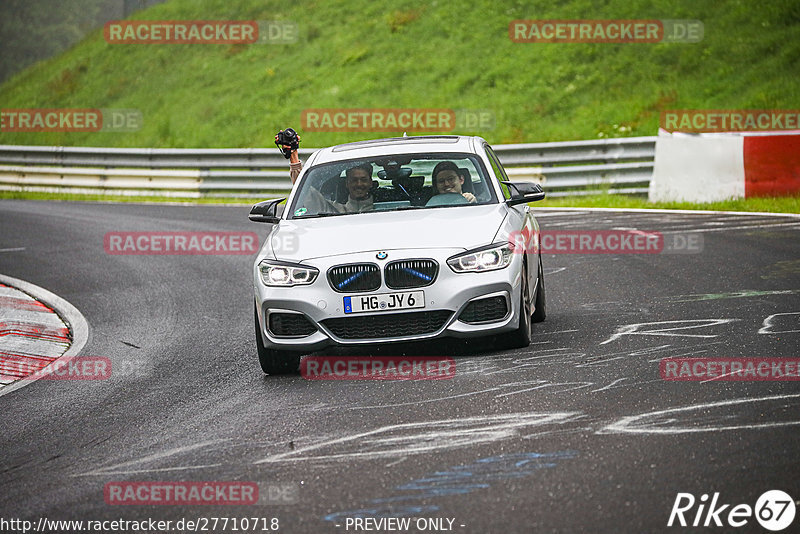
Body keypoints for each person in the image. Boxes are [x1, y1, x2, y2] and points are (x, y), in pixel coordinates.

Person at [276, 128, 374, 214]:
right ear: (347, 183)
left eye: (363, 179)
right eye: (354, 180)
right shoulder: (331, 210)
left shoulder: (387, 210)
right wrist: (293, 154)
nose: (359, 184)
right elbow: (304, 191)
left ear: (371, 182)